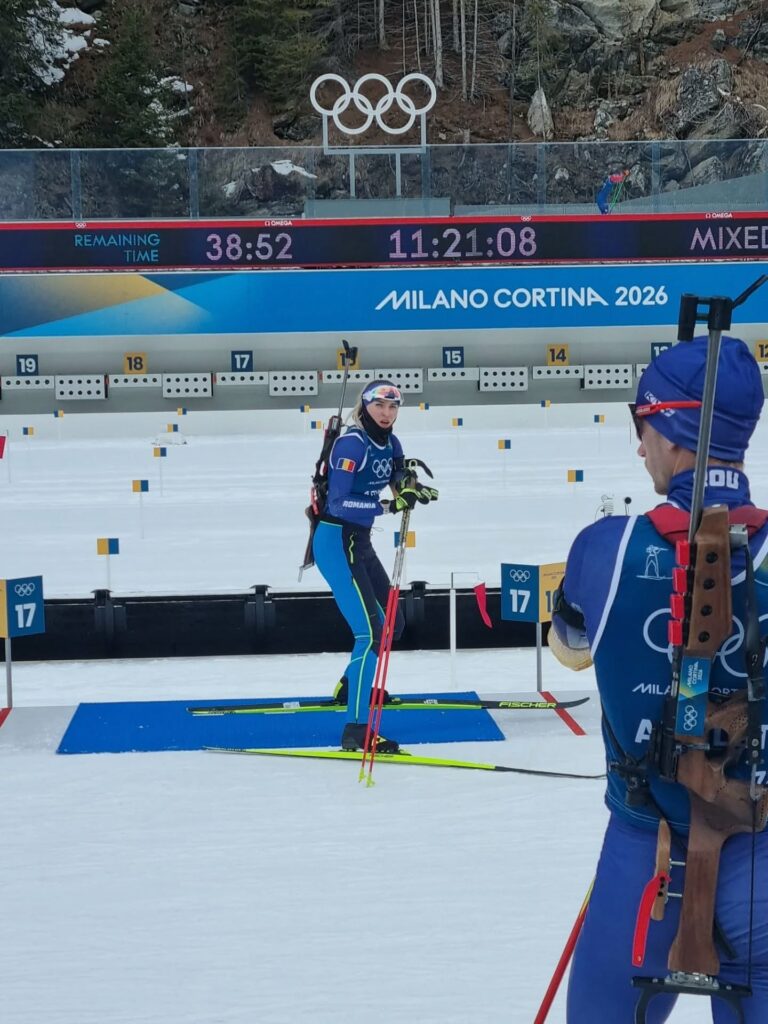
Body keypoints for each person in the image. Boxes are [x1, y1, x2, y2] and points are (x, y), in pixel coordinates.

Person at [549, 336, 768, 1022]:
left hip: (646, 863)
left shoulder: (603, 548)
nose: (638, 446)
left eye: (639, 424)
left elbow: (569, 649)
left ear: (672, 428)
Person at [312, 380, 438, 754]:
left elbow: (398, 474)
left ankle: (351, 686)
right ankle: (355, 730)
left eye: (393, 407)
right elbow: (337, 503)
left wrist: (411, 489)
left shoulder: (391, 442)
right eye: (379, 406)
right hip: (335, 541)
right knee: (369, 635)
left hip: (360, 542)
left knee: (393, 624)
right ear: (365, 406)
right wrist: (388, 507)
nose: (386, 413)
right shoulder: (351, 444)